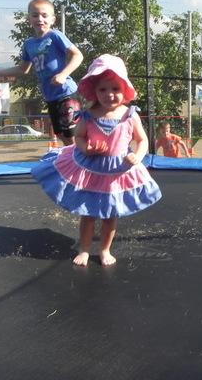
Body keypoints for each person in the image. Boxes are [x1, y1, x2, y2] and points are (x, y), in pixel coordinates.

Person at [31, 54, 162, 266]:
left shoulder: (130, 114)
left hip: (118, 170)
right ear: (95, 91)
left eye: (115, 89)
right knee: (88, 213)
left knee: (110, 215)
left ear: (125, 89)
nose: (109, 94)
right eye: (103, 89)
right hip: (92, 168)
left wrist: (137, 156)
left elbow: (142, 139)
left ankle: (104, 249)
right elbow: (78, 137)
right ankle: (84, 249)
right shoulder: (89, 115)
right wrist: (87, 149)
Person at [0, 0, 84, 145]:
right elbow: (23, 69)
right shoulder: (29, 44)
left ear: (52, 19)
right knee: (60, 134)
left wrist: (63, 74)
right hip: (50, 96)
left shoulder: (55, 36)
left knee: (71, 134)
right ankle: (73, 156)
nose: (40, 19)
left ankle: (82, 157)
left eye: (44, 15)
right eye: (35, 15)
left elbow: (78, 55)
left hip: (66, 92)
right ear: (29, 19)